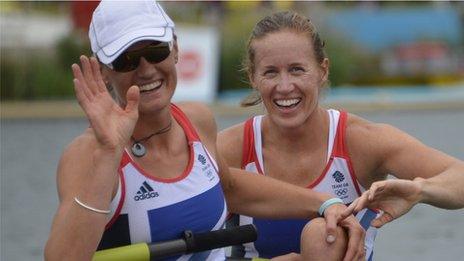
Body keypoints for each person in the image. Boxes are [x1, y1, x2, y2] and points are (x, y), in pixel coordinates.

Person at [44, 1, 366, 261]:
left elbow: (229, 187)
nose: (146, 70)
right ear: (103, 73)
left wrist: (325, 203)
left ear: (176, 50)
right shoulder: (88, 154)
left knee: (325, 240)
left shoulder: (196, 120)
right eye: (127, 61)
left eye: (156, 52)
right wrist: (109, 151)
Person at [217, 10, 464, 261]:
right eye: (270, 72)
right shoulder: (228, 149)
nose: (284, 86)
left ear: (323, 70)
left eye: (297, 70)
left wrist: (421, 189)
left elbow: (459, 177)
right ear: (253, 78)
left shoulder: (362, 141)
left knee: (323, 235)